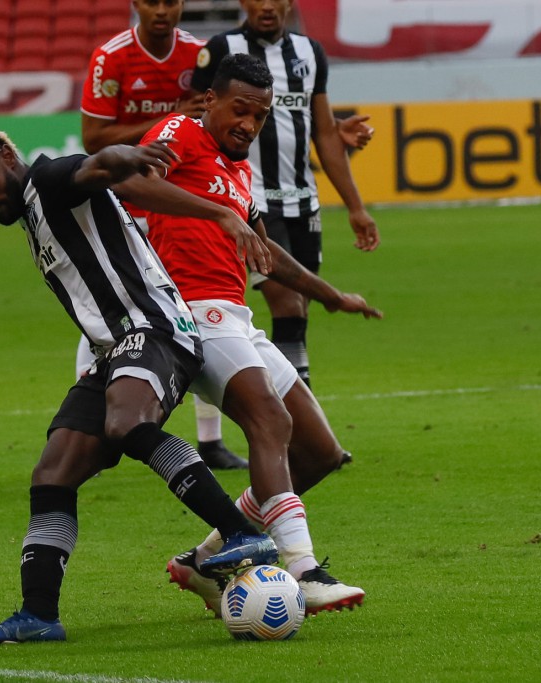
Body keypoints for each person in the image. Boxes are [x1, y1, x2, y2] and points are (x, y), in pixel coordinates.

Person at [0, 120, 278, 644]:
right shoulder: (32, 212)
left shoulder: (47, 179)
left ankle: (241, 534)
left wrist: (130, 154)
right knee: (52, 472)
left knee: (126, 423)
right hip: (113, 352)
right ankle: (38, 615)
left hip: (155, 329)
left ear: (7, 156)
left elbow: (97, 164)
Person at [116, 53, 380, 616]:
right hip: (189, 313)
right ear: (210, 100)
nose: (248, 125)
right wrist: (216, 214)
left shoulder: (239, 170)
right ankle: (303, 570)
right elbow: (133, 181)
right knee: (272, 421)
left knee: (320, 452)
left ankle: (205, 557)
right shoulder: (180, 132)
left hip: (236, 316)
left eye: (259, 117)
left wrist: (330, 295)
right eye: (240, 110)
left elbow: (265, 249)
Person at [78, 0, 249, 470]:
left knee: (195, 305)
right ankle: (90, 411)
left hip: (178, 207)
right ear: (136, 5)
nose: (162, 11)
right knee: (115, 306)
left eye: (171, 1)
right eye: (151, 1)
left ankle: (210, 440)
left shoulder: (199, 55)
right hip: (125, 208)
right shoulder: (111, 57)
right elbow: (94, 139)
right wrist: (165, 120)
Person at [190, 0, 380, 411]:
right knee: (288, 303)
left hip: (302, 201)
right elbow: (196, 118)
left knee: (297, 316)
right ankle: (300, 418)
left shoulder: (311, 53)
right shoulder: (223, 48)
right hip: (251, 200)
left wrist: (356, 207)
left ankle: (294, 415)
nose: (268, 6)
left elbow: (325, 133)